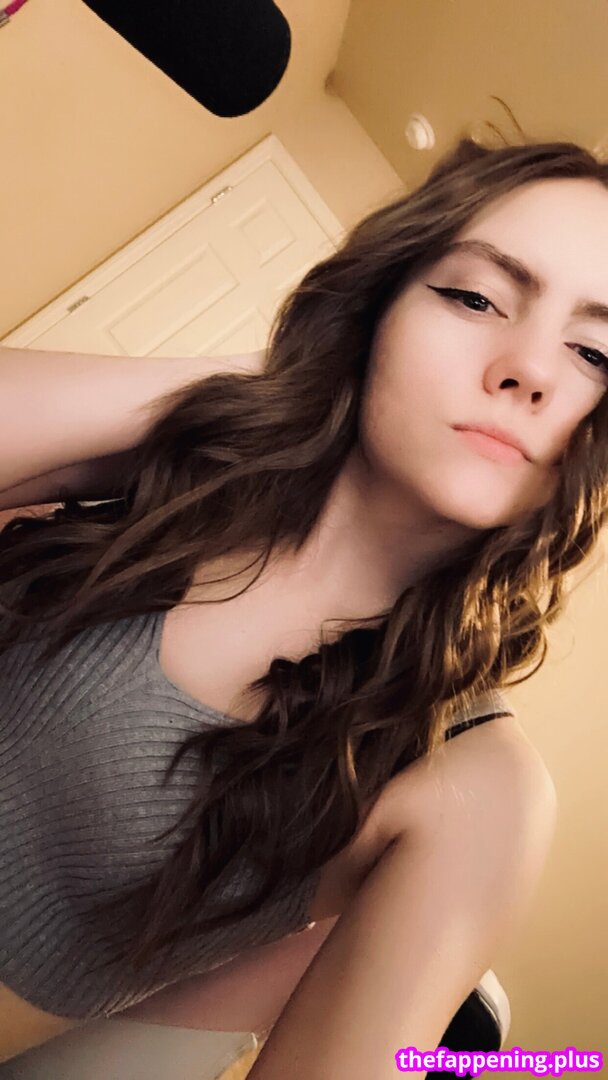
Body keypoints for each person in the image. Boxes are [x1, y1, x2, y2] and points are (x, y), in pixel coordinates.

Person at [0, 133, 607, 1076]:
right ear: (378, 307)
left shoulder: (478, 788)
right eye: (475, 297)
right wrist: (267, 394)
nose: (528, 368)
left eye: (595, 352)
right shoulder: (179, 481)